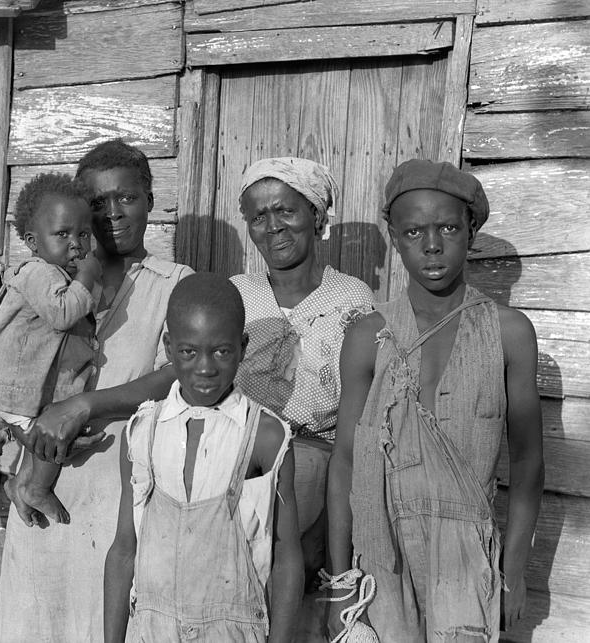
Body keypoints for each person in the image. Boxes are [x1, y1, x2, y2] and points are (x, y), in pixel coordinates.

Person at [0, 139, 192, 641]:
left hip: (121, 506)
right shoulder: (41, 285)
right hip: (36, 500)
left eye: (127, 198)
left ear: (151, 200)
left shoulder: (174, 285)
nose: (112, 214)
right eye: (96, 204)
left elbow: (179, 374)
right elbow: (1, 384)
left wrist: (82, 405)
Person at [325, 159, 544, 641]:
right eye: (413, 232)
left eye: (447, 227)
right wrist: (342, 581)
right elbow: (344, 461)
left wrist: (514, 571)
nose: (431, 245)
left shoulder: (508, 333)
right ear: (394, 237)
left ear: (471, 230)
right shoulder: (368, 335)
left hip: (467, 561)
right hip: (379, 559)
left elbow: (528, 464)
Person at [105, 273, 303, 642]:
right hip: (153, 631)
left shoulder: (264, 435)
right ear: (168, 347)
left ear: (243, 347)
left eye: (222, 351)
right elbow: (123, 550)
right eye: (188, 352)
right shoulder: (143, 431)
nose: (205, 368)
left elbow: (287, 558)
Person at [230, 157, 375, 585]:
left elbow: (357, 410)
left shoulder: (351, 297)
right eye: (258, 216)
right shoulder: (238, 293)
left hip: (319, 461)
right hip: (240, 460)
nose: (272, 226)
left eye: (286, 211)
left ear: (316, 214)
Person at [0, 172, 101, 525]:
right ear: (32, 241)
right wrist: (88, 276)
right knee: (52, 439)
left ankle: (20, 485)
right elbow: (62, 313)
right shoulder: (38, 272)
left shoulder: (54, 273)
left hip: (18, 385)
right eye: (62, 235)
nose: (76, 244)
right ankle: (36, 489)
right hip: (12, 387)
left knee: (45, 432)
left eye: (83, 234)